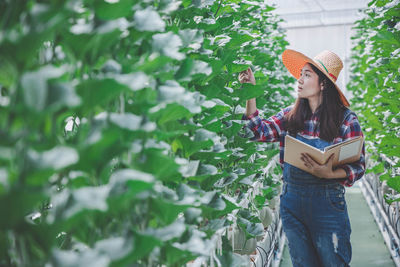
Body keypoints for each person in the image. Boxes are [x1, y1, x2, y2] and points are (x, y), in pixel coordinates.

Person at [239, 49, 365, 267]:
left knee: (333, 261)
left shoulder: (346, 120)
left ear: (323, 84)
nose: (300, 79)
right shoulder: (292, 115)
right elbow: (257, 131)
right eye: (301, 74)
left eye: (307, 75)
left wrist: (330, 173)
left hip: (328, 204)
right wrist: (250, 93)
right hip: (292, 203)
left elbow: (358, 165)